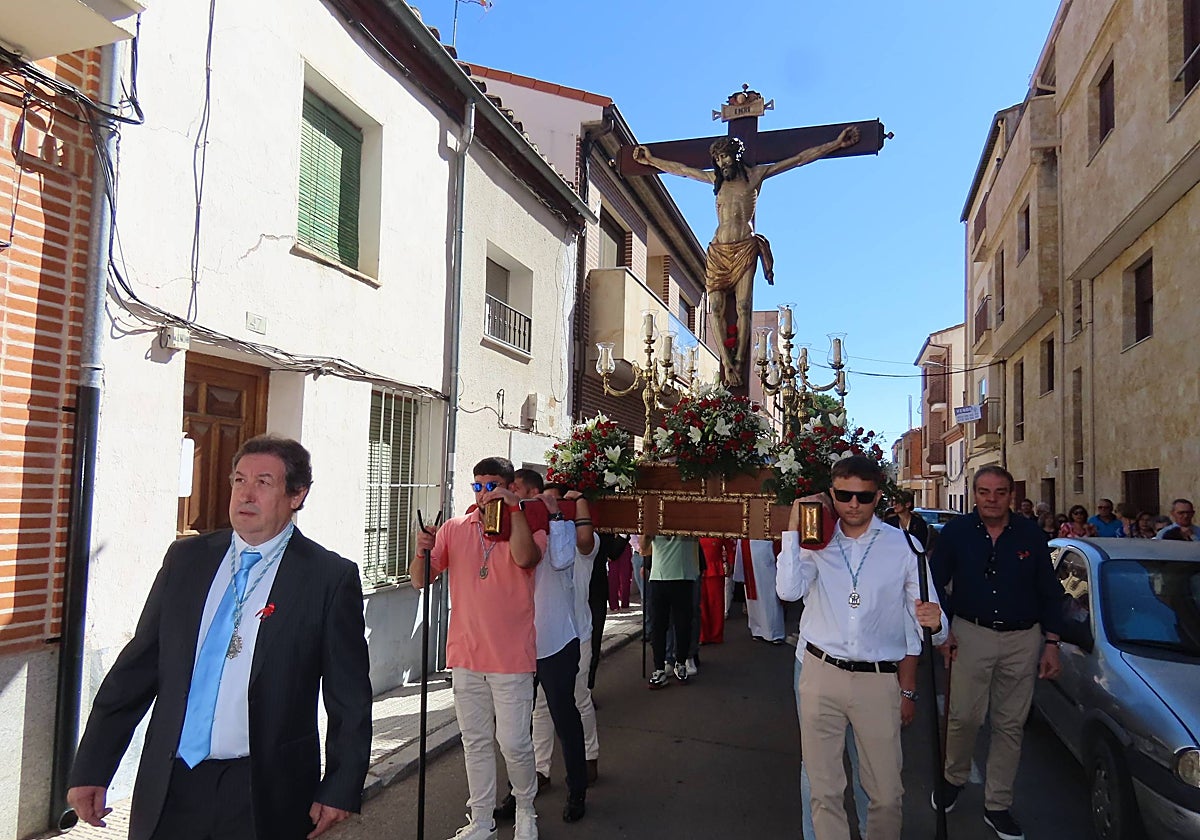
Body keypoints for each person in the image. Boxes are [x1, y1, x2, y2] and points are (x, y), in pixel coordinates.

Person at [67, 435, 372, 840]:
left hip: (263, 790)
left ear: (296, 495)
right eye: (239, 480)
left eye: (263, 482)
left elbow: (348, 695)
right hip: (171, 783)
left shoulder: (327, 577)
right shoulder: (187, 559)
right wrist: (92, 767)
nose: (246, 494)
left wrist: (340, 785)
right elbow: (136, 670)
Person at [777, 455, 946, 840]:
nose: (853, 504)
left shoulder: (905, 547)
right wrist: (793, 529)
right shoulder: (817, 539)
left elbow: (932, 626)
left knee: (885, 794)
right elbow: (788, 591)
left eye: (864, 497)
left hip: (877, 679)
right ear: (831, 493)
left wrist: (935, 621)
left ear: (878, 497)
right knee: (823, 790)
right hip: (820, 672)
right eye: (844, 495)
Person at [633, 125, 859, 385]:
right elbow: (681, 170)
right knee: (715, 307)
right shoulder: (715, 180)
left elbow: (798, 159)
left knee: (743, 306)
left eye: (725, 157)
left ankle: (739, 362)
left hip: (744, 247)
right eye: (718, 159)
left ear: (735, 156)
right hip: (718, 250)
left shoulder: (755, 176)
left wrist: (836, 144)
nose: (722, 163)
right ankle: (726, 363)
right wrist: (650, 160)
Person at [412, 457, 543, 840]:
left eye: (492, 486)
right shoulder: (455, 529)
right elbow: (420, 580)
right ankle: (481, 821)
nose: (484, 494)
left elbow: (526, 558)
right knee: (475, 742)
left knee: (514, 743)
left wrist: (514, 509)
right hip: (466, 656)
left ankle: (525, 810)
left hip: (511, 658)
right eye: (478, 486)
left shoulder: (529, 526)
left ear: (510, 488)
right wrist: (421, 549)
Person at [932, 465, 1065, 840]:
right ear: (974, 494)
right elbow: (934, 583)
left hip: (1023, 639)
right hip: (970, 633)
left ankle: (998, 805)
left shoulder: (1031, 534)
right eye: (984, 492)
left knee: (1010, 725)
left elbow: (1049, 591)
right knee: (963, 717)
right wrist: (943, 632)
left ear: (1011, 495)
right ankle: (953, 778)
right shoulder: (956, 532)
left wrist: (1052, 644)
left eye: (1000, 492)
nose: (992, 499)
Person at [507, 470, 588, 823]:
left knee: (564, 717)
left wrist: (555, 516)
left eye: (516, 489)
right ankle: (517, 793)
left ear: (534, 492)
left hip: (556, 640)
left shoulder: (560, 525)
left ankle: (577, 789)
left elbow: (562, 559)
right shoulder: (508, 526)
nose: (510, 494)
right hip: (519, 642)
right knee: (515, 726)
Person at [543, 483, 602, 785]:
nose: (552, 506)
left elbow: (584, 543)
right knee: (541, 706)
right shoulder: (540, 538)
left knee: (579, 698)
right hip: (547, 637)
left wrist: (578, 504)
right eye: (546, 501)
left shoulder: (585, 537)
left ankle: (589, 756)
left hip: (579, 633)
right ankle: (540, 768)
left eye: (558, 502)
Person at [646, 535, 700, 687]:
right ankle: (659, 668)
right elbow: (644, 548)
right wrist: (646, 533)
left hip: (683, 576)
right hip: (659, 575)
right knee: (658, 626)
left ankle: (681, 662)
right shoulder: (653, 521)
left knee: (683, 624)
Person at [735, 538, 787, 643]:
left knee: (770, 598)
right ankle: (757, 630)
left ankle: (774, 632)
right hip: (750, 549)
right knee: (754, 598)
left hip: (767, 555)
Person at [607, 535, 633, 611]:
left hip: (624, 546)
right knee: (613, 578)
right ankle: (614, 604)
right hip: (612, 546)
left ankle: (625, 602)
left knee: (626, 578)